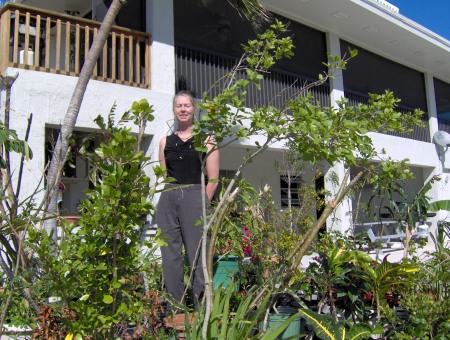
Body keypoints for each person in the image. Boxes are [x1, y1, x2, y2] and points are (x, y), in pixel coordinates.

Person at [156, 91, 219, 309]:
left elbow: (213, 180)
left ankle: (202, 308)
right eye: (178, 106)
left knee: (197, 254)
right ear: (174, 110)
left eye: (187, 106)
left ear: (194, 110)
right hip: (169, 197)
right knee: (170, 255)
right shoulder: (165, 142)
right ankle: (176, 307)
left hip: (195, 195)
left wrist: (202, 203)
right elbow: (165, 177)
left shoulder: (207, 139)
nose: (183, 109)